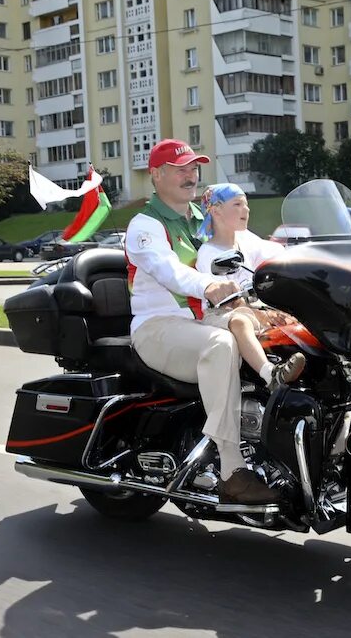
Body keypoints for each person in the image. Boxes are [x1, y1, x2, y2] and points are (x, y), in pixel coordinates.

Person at [125, 138, 278, 506]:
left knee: (278, 333)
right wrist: (210, 284)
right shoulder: (145, 225)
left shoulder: (203, 219)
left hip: (203, 320)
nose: (190, 175)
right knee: (221, 344)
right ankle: (231, 469)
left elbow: (259, 247)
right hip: (159, 327)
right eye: (181, 169)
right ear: (157, 175)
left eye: (194, 168)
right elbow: (170, 271)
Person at [195, 183, 306, 391]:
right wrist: (263, 314)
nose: (246, 210)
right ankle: (270, 374)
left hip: (253, 309)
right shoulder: (209, 253)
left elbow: (276, 253)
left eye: (246, 204)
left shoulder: (245, 242)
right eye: (237, 204)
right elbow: (228, 301)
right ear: (216, 210)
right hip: (221, 314)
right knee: (241, 321)